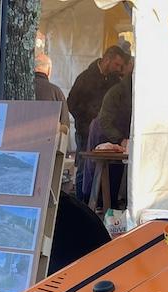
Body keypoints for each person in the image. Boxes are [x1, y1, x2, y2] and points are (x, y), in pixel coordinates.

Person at [66, 45, 127, 191]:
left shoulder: (115, 81)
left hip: (106, 133)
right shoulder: (85, 78)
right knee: (84, 167)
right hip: (85, 131)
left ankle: (99, 202)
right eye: (116, 64)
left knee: (104, 169)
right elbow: (71, 103)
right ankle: (82, 202)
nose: (118, 68)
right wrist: (85, 121)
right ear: (107, 60)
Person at [32, 51, 70, 126]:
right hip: (47, 136)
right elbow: (65, 125)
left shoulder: (22, 88)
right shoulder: (56, 92)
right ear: (49, 70)